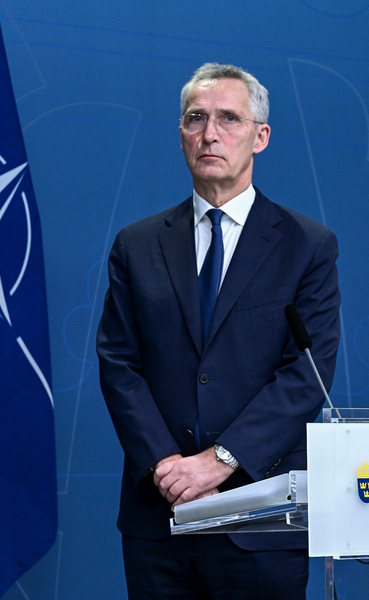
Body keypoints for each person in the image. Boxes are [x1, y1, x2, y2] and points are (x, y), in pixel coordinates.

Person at [97, 63, 340, 599]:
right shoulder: (136, 245)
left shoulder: (307, 246)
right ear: (181, 134)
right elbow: (119, 363)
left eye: (228, 118)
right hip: (159, 517)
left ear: (260, 137)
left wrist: (220, 461)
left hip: (263, 518)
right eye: (196, 118)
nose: (210, 133)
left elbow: (306, 373)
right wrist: (166, 465)